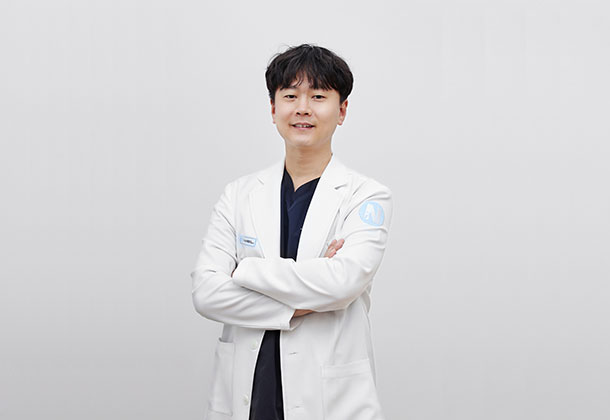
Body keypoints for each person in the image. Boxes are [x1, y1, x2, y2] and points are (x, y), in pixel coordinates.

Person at [191, 43, 393, 420]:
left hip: (330, 402)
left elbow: (343, 281)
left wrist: (245, 271)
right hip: (250, 396)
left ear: (342, 110)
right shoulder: (238, 195)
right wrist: (308, 295)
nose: (303, 108)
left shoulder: (366, 196)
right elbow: (206, 294)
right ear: (273, 109)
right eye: (290, 96)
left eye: (318, 96)